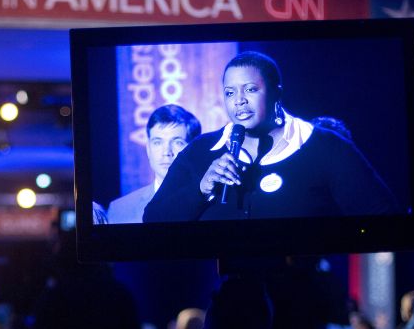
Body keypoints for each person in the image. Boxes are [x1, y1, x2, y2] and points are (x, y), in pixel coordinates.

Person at [143, 51, 396, 222]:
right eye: (230, 93)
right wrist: (201, 189)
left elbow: (383, 218)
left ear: (276, 93)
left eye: (250, 89)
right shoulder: (200, 151)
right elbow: (153, 220)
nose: (239, 100)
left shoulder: (325, 146)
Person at [108, 104, 200, 224]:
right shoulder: (119, 210)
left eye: (177, 142)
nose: (166, 152)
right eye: (157, 142)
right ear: (148, 149)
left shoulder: (214, 205)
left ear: (194, 149)